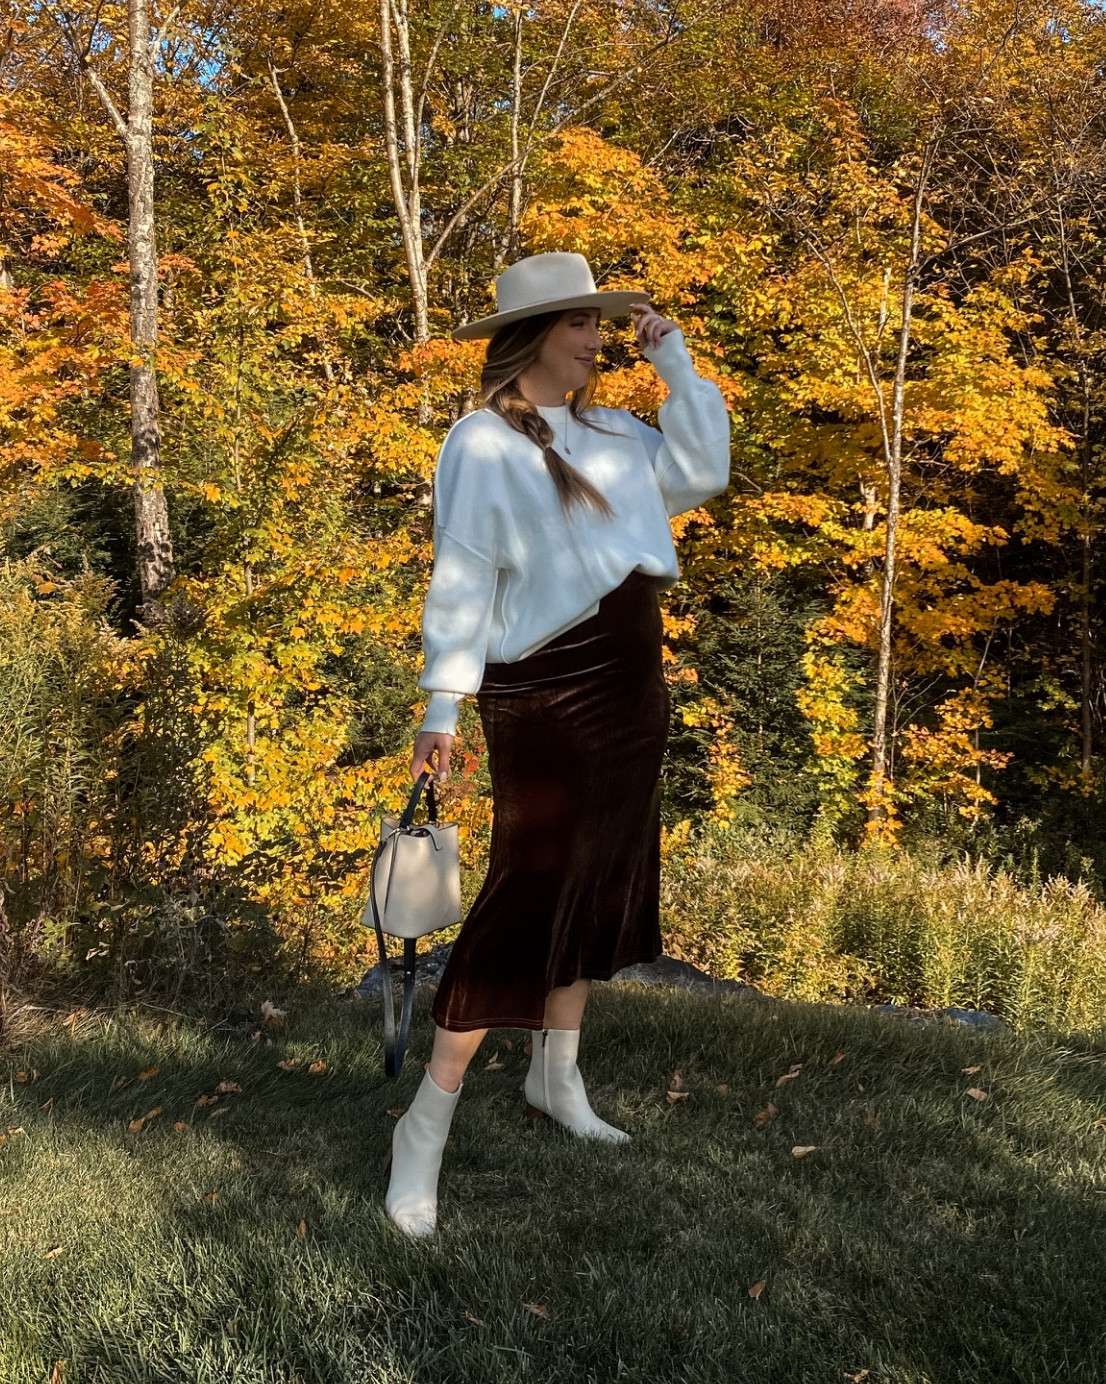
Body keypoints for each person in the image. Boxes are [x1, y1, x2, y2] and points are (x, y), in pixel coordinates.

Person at [384, 251, 730, 1236]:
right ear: (534, 333)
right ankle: (424, 1129)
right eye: (581, 324)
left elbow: (703, 471)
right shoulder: (480, 441)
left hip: (632, 685)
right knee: (527, 894)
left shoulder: (620, 431)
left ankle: (555, 1080)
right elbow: (460, 574)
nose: (596, 340)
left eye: (600, 324)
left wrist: (678, 367)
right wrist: (440, 705)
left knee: (599, 877)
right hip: (540, 692)